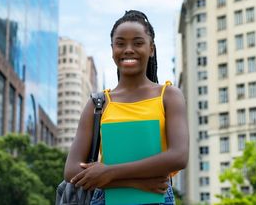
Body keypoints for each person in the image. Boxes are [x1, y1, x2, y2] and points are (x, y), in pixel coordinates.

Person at [63, 10, 189, 205]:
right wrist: (134, 182)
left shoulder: (169, 96)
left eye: (138, 43)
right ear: (112, 49)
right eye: (120, 43)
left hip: (158, 197)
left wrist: (109, 172)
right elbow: (71, 171)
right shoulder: (97, 104)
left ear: (151, 48)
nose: (128, 49)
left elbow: (178, 156)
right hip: (105, 199)